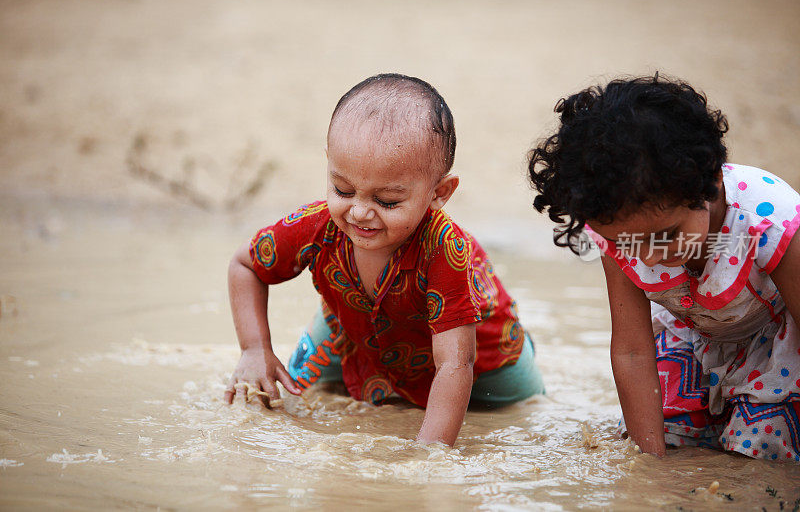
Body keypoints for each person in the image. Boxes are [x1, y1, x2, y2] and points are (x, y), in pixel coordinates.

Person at [225, 73, 544, 446]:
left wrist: (427, 460)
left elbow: (456, 365)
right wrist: (254, 349)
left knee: (524, 413)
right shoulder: (316, 225)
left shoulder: (444, 249)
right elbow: (245, 265)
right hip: (351, 326)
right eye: (343, 189)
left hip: (478, 353)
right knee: (287, 400)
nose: (359, 212)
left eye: (387, 201)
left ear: (439, 193)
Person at [527, 74, 800, 461]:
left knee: (760, 447)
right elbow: (634, 350)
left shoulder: (769, 224)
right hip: (691, 337)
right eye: (628, 243)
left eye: (667, 235)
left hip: (776, 345)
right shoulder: (618, 224)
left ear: (711, 183)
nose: (649, 257)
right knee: (659, 436)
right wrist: (649, 468)